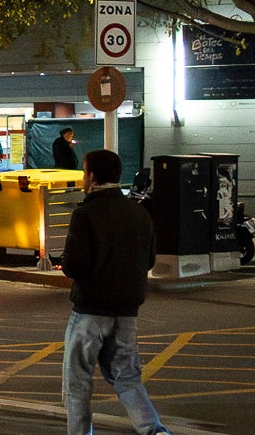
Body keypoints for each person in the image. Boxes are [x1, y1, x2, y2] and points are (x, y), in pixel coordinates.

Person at [58, 149, 172, 435]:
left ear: (92, 177)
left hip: (90, 312)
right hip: (126, 311)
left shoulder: (85, 213)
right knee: (127, 379)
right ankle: (153, 430)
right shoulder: (139, 212)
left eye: (85, 172)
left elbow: (74, 265)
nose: (84, 178)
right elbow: (149, 261)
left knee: (78, 384)